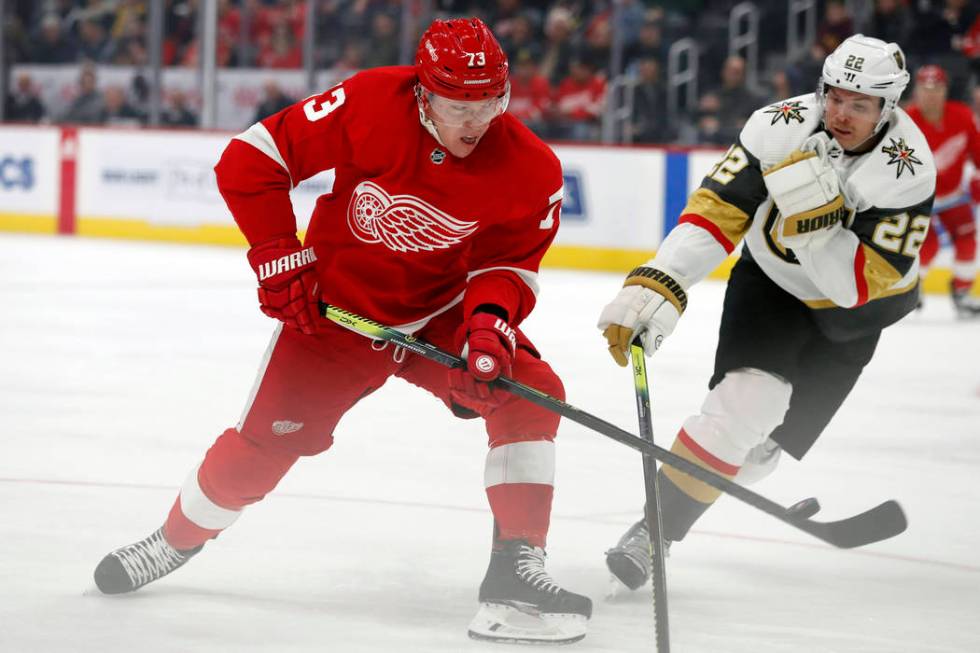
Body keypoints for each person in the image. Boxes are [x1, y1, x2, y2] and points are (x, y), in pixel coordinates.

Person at [91, 18, 591, 645]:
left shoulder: (531, 167)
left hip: (438, 317)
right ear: (421, 94)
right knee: (259, 455)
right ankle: (175, 540)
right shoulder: (370, 101)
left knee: (528, 389)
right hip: (334, 316)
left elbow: (509, 266)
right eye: (456, 104)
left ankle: (516, 570)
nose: (474, 121)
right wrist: (277, 250)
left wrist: (488, 328)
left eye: (488, 103)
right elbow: (252, 158)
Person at [597, 34, 935, 590]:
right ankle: (655, 532)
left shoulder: (906, 170)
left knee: (759, 452)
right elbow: (716, 210)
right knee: (743, 409)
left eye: (860, 103)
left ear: (888, 107)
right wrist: (663, 279)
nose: (841, 113)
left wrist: (817, 225)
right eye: (834, 95)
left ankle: (735, 456)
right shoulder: (777, 127)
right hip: (771, 287)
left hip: (858, 313)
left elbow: (856, 286)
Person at [905, 65, 980, 317]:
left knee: (968, 243)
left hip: (954, 196)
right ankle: (911, 288)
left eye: (936, 88)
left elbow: (978, 154)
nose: (931, 95)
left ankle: (961, 293)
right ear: (915, 91)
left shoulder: (962, 115)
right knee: (927, 246)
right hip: (919, 199)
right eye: (925, 89)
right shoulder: (906, 122)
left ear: (946, 90)